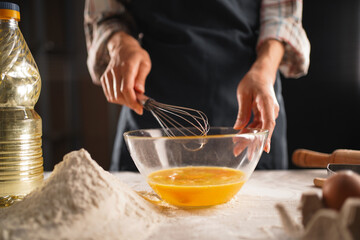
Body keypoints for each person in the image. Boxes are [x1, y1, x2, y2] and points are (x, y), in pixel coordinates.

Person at [84, 0, 310, 171]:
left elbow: (282, 18)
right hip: (152, 121)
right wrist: (120, 44)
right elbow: (107, 16)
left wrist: (264, 71)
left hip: (249, 113)